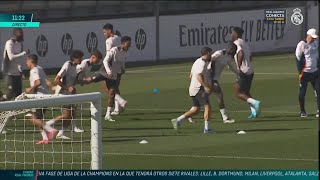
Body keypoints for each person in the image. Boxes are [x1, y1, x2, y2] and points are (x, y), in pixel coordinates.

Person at [86, 36, 130, 122]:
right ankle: (76, 81)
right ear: (123, 43)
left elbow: (122, 63)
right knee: (90, 80)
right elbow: (105, 61)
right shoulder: (114, 50)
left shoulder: (125, 53)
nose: (129, 46)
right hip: (104, 72)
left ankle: (107, 115)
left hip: (113, 75)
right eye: (128, 44)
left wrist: (122, 69)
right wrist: (108, 71)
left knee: (112, 93)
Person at [171, 47, 213, 133]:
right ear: (207, 53)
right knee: (207, 106)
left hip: (192, 88)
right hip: (199, 88)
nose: (211, 55)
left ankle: (178, 120)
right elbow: (198, 76)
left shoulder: (196, 61)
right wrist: (205, 86)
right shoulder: (202, 63)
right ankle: (207, 129)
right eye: (211, 53)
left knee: (196, 109)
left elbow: (190, 76)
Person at [46, 50, 84, 140]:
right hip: (62, 93)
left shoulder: (76, 67)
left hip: (69, 93)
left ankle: (61, 132)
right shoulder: (67, 65)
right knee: (67, 115)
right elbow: (57, 79)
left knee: (71, 114)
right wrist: (68, 88)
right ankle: (48, 124)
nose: (81, 59)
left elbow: (73, 81)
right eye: (80, 57)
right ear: (74, 58)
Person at [25, 54, 57, 144]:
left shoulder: (34, 70)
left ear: (30, 61)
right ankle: (45, 139)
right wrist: (52, 87)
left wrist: (29, 89)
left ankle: (51, 129)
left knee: (30, 116)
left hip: (39, 97)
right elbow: (45, 80)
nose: (25, 63)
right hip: (45, 96)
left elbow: (38, 82)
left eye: (26, 61)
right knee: (38, 119)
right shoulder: (39, 68)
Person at [231, 27, 260, 118]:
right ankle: (254, 111)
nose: (231, 35)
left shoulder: (237, 43)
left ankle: (255, 102)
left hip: (243, 71)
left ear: (235, 34)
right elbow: (250, 57)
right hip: (250, 70)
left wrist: (238, 67)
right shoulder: (244, 43)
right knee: (246, 92)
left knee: (237, 92)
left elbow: (241, 53)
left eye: (232, 33)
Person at [295, 28, 319, 118]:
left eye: (314, 38)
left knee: (318, 90)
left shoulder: (315, 43)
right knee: (302, 92)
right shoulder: (302, 44)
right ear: (308, 35)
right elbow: (298, 58)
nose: (313, 39)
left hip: (315, 72)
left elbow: (317, 57)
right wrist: (300, 72)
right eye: (312, 37)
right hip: (305, 73)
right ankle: (302, 111)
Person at [101, 23, 124, 115]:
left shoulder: (109, 41)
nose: (104, 34)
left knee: (107, 86)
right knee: (115, 86)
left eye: (104, 32)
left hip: (111, 65)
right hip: (119, 65)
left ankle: (120, 103)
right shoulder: (119, 38)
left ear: (109, 31)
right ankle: (117, 108)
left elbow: (108, 55)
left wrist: (107, 69)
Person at [1, 28, 30, 101]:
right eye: (19, 33)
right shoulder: (10, 43)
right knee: (10, 93)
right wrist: (24, 53)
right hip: (9, 72)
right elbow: (11, 57)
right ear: (15, 34)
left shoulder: (20, 44)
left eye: (21, 33)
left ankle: (15, 111)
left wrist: (20, 70)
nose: (21, 35)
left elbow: (18, 60)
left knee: (18, 94)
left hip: (16, 73)